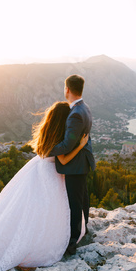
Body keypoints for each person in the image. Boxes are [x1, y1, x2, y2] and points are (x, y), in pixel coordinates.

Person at [0, 101, 90, 271]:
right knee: (48, 210)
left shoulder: (47, 133)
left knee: (22, 210)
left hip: (37, 169)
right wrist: (81, 145)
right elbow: (64, 161)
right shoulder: (60, 138)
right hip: (51, 175)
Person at [48, 74, 95, 256]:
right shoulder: (85, 108)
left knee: (75, 202)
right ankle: (85, 227)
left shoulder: (75, 114)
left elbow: (67, 145)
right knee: (82, 197)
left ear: (67, 89)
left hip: (75, 164)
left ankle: (74, 240)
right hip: (82, 161)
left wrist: (46, 150)